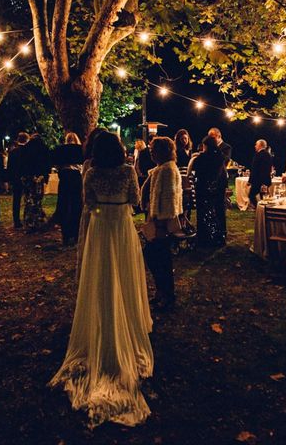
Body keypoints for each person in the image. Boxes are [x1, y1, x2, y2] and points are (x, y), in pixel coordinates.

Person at [49, 132, 153, 428]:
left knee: (101, 278)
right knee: (124, 276)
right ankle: (129, 322)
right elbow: (136, 200)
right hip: (121, 228)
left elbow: (89, 202)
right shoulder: (128, 171)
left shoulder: (91, 172)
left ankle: (105, 321)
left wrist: (101, 213)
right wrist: (117, 210)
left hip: (100, 229)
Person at [143, 137, 183, 308]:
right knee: (156, 257)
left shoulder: (166, 170)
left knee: (159, 258)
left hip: (161, 222)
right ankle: (162, 291)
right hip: (157, 219)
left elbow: (168, 198)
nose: (151, 152)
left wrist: (160, 224)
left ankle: (167, 295)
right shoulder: (161, 169)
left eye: (154, 149)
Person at [76, 128, 108, 281]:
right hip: (98, 209)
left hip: (96, 209)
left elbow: (85, 192)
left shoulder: (90, 165)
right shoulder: (89, 164)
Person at [187, 136, 227, 246]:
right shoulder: (220, 157)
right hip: (218, 188)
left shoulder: (202, 158)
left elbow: (196, 172)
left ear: (205, 146)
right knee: (218, 211)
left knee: (204, 212)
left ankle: (205, 237)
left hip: (204, 188)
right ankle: (219, 235)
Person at [51, 132, 84, 246]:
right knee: (76, 205)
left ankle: (65, 234)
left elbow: (55, 163)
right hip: (76, 178)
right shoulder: (80, 149)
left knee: (64, 204)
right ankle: (75, 234)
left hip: (65, 178)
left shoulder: (60, 149)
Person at [20, 134, 50, 231]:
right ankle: (38, 221)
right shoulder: (43, 149)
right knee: (37, 200)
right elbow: (46, 164)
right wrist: (44, 176)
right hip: (38, 177)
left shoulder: (25, 149)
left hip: (28, 177)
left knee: (29, 200)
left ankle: (29, 222)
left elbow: (22, 164)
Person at [6, 132, 30, 228]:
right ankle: (27, 218)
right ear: (26, 140)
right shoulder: (28, 151)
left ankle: (16, 220)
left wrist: (10, 178)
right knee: (28, 198)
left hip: (16, 178)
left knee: (16, 199)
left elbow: (10, 166)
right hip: (27, 177)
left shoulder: (12, 152)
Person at [248, 139, 272, 209]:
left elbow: (255, 169)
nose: (255, 146)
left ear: (260, 145)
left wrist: (250, 181)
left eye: (256, 144)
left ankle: (258, 209)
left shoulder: (258, 155)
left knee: (251, 195)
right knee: (263, 197)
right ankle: (264, 211)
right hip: (266, 180)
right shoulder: (268, 155)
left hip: (258, 180)